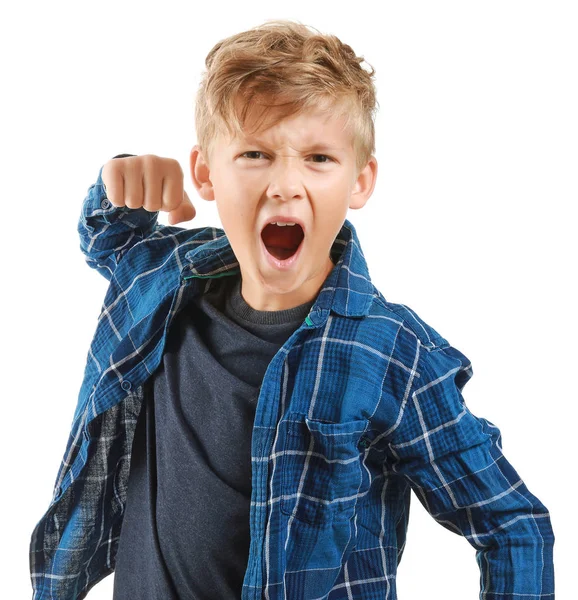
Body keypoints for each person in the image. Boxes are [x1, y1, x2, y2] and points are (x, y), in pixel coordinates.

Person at [29, 19, 555, 600]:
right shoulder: (168, 281)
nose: (285, 184)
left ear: (361, 180)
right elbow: (109, 236)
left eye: (319, 158)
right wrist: (119, 179)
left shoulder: (389, 352)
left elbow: (513, 527)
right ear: (206, 172)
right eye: (254, 153)